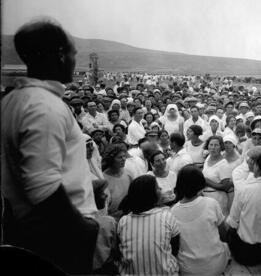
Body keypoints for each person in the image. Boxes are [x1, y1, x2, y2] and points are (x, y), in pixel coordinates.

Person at [1, 19, 100, 273]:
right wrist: (81, 229)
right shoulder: (44, 107)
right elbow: (42, 186)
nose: (75, 59)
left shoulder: (14, 101)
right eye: (73, 52)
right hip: (57, 237)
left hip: (31, 228)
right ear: (59, 55)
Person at [171, 165, 231, 276]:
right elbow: (223, 235)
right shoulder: (211, 203)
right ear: (201, 183)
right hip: (216, 265)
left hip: (189, 269)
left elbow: (175, 246)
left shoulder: (173, 212)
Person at [226, 150, 261, 265]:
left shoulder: (245, 190)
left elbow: (232, 223)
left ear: (258, 167)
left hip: (245, 252)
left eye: (254, 163)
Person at [118, 175, 180, 275]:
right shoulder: (167, 217)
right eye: (157, 187)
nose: (160, 189)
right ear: (150, 195)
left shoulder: (123, 221)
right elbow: (174, 249)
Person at [202, 136, 234, 216]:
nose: (213, 148)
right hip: (206, 199)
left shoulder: (223, 164)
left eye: (216, 145)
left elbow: (226, 186)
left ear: (221, 147)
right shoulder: (208, 158)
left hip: (218, 201)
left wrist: (207, 182)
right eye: (211, 145)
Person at [102, 143, 132, 220]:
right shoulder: (103, 179)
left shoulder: (128, 173)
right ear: (111, 159)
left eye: (124, 156)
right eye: (120, 157)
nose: (124, 159)